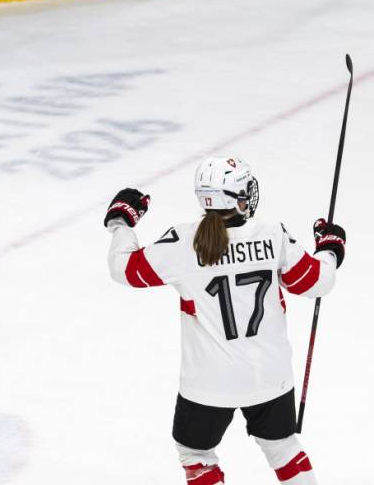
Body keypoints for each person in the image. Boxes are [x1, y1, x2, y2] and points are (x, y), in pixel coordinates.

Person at [104, 157, 346, 485]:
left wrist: (120, 221)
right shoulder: (273, 236)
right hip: (270, 375)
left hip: (209, 384)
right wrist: (329, 250)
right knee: (283, 447)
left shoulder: (183, 243)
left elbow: (125, 269)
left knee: (196, 455)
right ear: (235, 198)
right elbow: (317, 282)